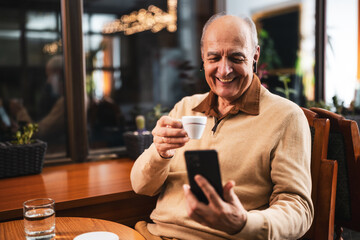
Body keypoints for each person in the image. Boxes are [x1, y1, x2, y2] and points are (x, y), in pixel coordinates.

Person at [131, 13, 313, 240]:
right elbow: (141, 186)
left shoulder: (286, 116)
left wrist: (245, 223)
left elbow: (299, 209)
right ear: (203, 58)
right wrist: (159, 153)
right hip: (152, 235)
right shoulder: (185, 108)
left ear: (255, 55)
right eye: (214, 57)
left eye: (236, 58)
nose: (224, 70)